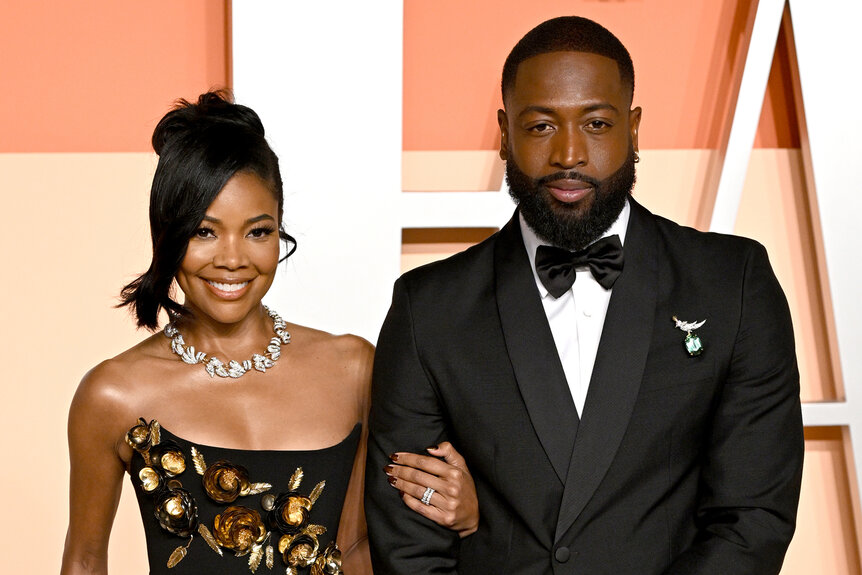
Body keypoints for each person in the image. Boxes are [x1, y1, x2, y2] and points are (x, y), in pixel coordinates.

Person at [366, 16, 804, 574]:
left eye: (596, 123)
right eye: (541, 126)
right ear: (504, 133)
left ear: (635, 128)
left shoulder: (732, 283)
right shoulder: (427, 309)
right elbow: (409, 547)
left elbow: (752, 518)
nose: (569, 154)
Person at [61, 91, 477, 575]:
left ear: (280, 230)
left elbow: (362, 546)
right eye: (204, 231)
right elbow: (85, 560)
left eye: (258, 231)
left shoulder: (355, 368)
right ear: (167, 233)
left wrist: (466, 514)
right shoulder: (112, 395)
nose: (233, 259)